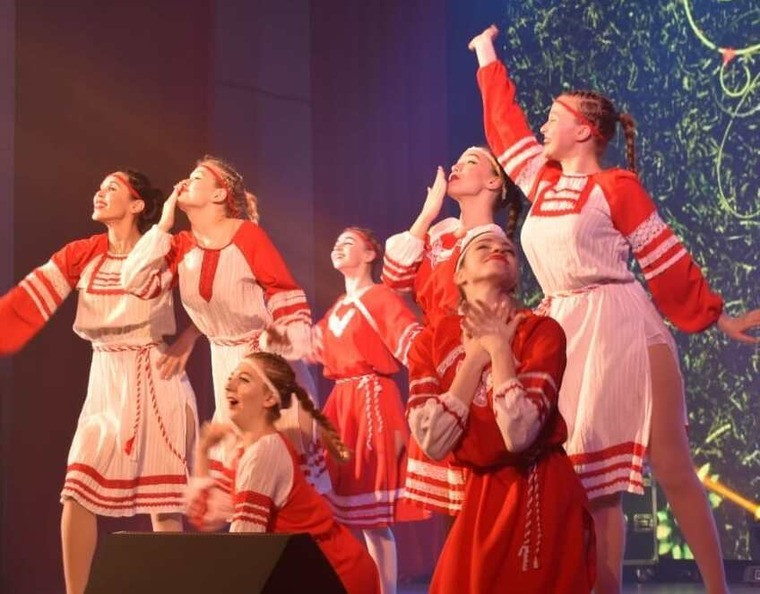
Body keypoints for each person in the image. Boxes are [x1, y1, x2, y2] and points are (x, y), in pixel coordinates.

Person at [468, 24, 760, 594]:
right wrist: (485, 56)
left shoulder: (616, 187)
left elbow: (665, 257)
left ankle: (718, 590)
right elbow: (505, 128)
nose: (543, 124)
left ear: (584, 129)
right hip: (562, 329)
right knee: (588, 480)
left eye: (554, 116)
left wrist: (716, 316)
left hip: (620, 323)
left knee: (671, 464)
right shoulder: (541, 181)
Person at [0, 170, 198, 594]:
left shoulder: (169, 247)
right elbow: (25, 302)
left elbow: (218, 292)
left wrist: (189, 336)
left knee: (164, 503)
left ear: (137, 204)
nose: (99, 192)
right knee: (77, 489)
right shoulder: (83, 253)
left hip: (155, 373)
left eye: (112, 188)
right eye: (99, 187)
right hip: (105, 377)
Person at [121, 156, 329, 494]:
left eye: (196, 177)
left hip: (263, 360)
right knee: (241, 478)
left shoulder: (246, 235)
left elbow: (283, 290)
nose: (184, 182)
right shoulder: (181, 245)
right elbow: (136, 282)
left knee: (278, 476)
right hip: (225, 367)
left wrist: (284, 345)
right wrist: (162, 226)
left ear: (218, 195)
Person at [407, 226, 594, 593]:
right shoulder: (430, 341)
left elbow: (519, 433)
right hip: (481, 496)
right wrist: (476, 358)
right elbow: (432, 441)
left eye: (507, 248)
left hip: (539, 490)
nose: (499, 249)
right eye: (484, 246)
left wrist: (499, 350)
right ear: (459, 274)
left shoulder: (542, 331)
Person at [382, 146, 522, 515]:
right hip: (435, 354)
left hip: (470, 352)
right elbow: (393, 278)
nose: (457, 166)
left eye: (471, 162)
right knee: (446, 495)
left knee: (473, 484)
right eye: (457, 161)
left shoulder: (490, 243)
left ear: (493, 182)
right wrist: (428, 213)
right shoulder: (439, 234)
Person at [187, 352, 380, 594]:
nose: (229, 385)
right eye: (231, 378)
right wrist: (203, 451)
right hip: (310, 572)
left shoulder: (265, 452)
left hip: (336, 573)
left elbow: (244, 547)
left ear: (269, 398)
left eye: (244, 380)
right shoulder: (244, 451)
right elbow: (205, 518)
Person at [314, 227, 424, 594]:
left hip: (373, 402)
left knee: (374, 516)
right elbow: (311, 346)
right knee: (344, 509)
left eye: (348, 243)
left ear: (369, 255)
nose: (338, 247)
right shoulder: (338, 308)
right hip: (342, 405)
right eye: (336, 243)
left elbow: (412, 344)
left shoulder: (379, 296)